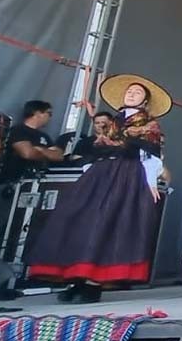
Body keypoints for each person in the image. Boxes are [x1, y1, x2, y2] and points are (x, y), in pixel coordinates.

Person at [25, 75, 170, 303]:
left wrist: (151, 182)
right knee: (83, 220)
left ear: (144, 102)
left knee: (110, 224)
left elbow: (151, 155)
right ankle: (77, 278)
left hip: (127, 175)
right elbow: (99, 145)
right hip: (101, 173)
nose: (131, 93)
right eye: (129, 91)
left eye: (137, 92)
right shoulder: (114, 121)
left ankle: (93, 284)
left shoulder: (149, 124)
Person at [0, 100, 66, 251]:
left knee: (21, 228)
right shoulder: (18, 131)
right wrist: (44, 152)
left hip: (33, 188)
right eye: (48, 114)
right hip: (11, 185)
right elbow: (27, 153)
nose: (50, 118)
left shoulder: (44, 136)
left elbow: (59, 155)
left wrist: (40, 150)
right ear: (37, 113)